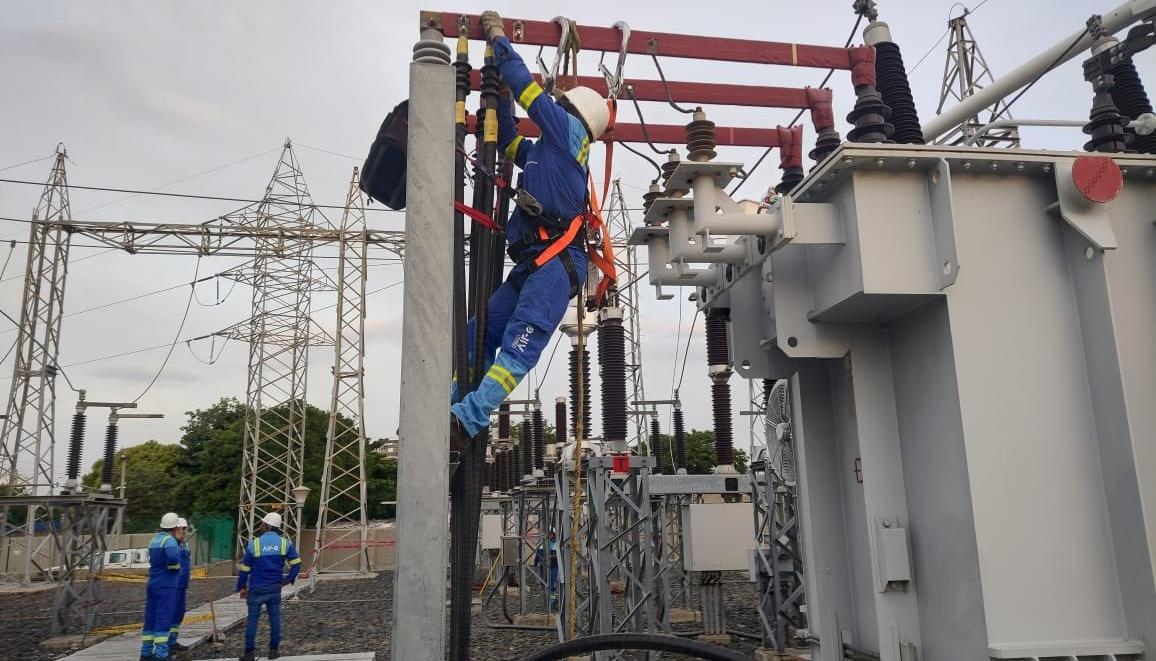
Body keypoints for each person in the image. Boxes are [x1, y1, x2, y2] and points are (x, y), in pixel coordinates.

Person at [450, 9, 610, 448]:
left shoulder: (571, 133)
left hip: (558, 265)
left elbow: (530, 92)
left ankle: (466, 421)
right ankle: (451, 404)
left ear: (572, 111)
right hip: (533, 264)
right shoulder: (547, 152)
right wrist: (499, 95)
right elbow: (507, 141)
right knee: (478, 331)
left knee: (519, 348)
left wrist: (500, 45)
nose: (553, 103)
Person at [236, 512, 301, 661]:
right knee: (275, 619)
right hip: (274, 588)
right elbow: (296, 563)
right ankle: (273, 651)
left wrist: (242, 586)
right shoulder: (285, 543)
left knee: (252, 620)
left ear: (267, 525)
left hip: (256, 589)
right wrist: (288, 579)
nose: (261, 525)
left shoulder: (254, 544)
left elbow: (245, 569)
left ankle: (249, 653)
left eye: (263, 523)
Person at [141, 512, 181, 661]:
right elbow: (173, 558)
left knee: (150, 618)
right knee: (164, 618)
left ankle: (145, 653)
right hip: (166, 584)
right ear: (175, 527)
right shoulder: (169, 541)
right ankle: (161, 655)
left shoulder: (154, 540)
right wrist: (174, 567)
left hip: (153, 583)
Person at [167, 518, 192, 654]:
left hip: (182, 585)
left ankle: (172, 641)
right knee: (169, 614)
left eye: (184, 529)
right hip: (172, 586)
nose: (182, 531)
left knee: (179, 614)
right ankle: (165, 644)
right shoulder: (171, 545)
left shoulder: (185, 545)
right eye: (180, 528)